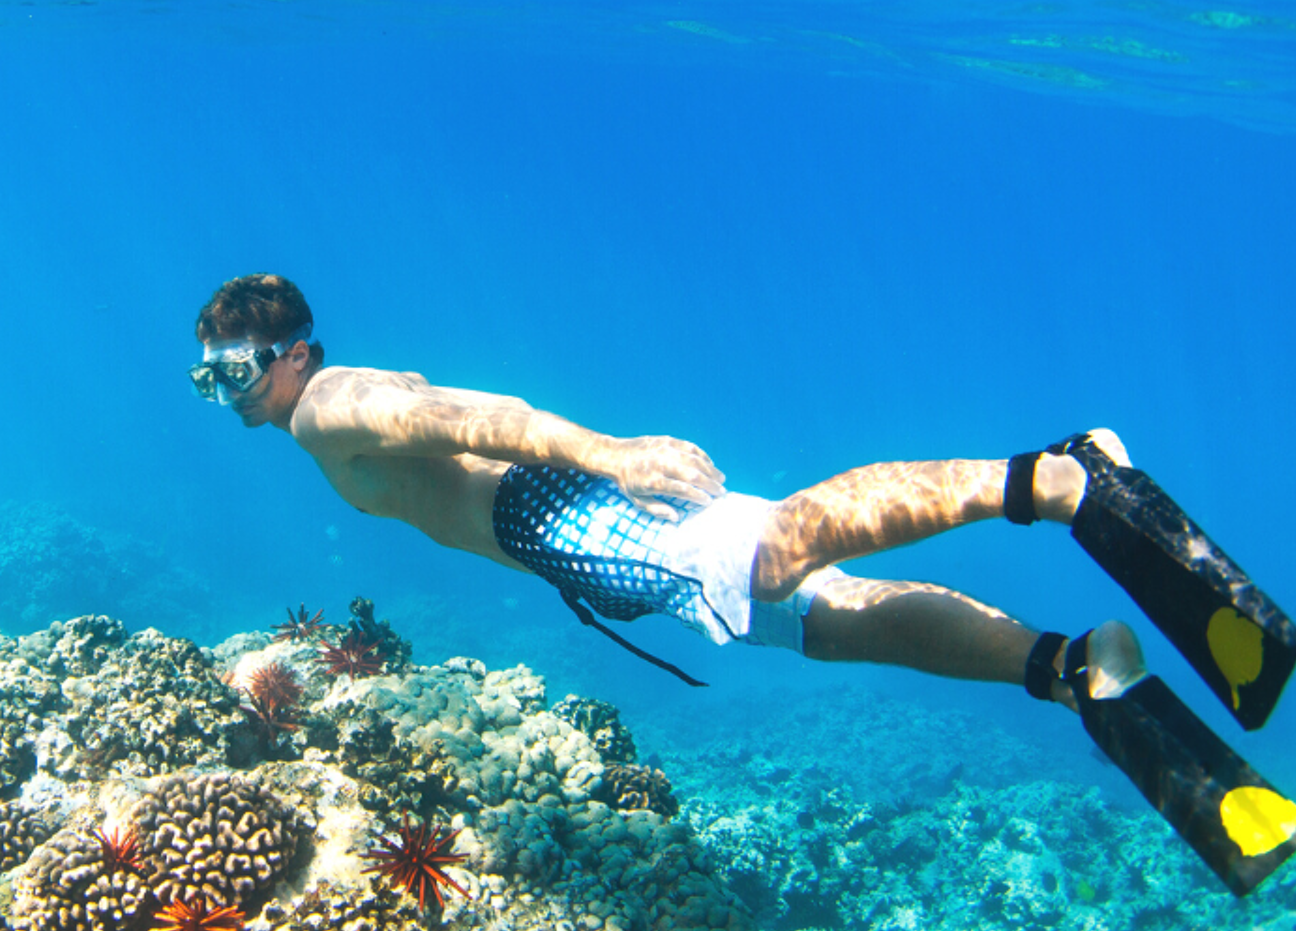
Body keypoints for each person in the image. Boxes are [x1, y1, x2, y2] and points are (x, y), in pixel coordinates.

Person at [189, 272, 1296, 895]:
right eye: (206, 378)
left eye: (234, 370)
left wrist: (606, 455)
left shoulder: (329, 407)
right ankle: (1064, 668)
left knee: (780, 552)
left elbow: (465, 418)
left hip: (569, 515)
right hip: (572, 543)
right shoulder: (319, 415)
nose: (224, 392)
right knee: (829, 620)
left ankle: (1053, 478)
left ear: (291, 353)